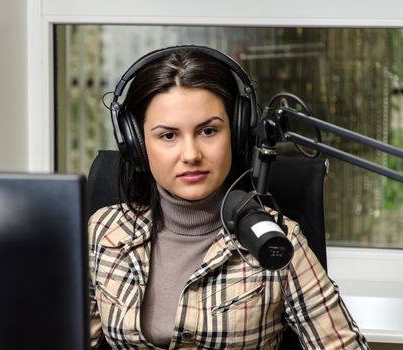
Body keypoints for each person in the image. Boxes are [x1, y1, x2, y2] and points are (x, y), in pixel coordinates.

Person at [88, 45, 369, 349]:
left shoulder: (276, 242)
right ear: (136, 144)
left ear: (236, 133)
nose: (191, 155)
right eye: (168, 135)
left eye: (208, 131)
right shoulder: (105, 233)